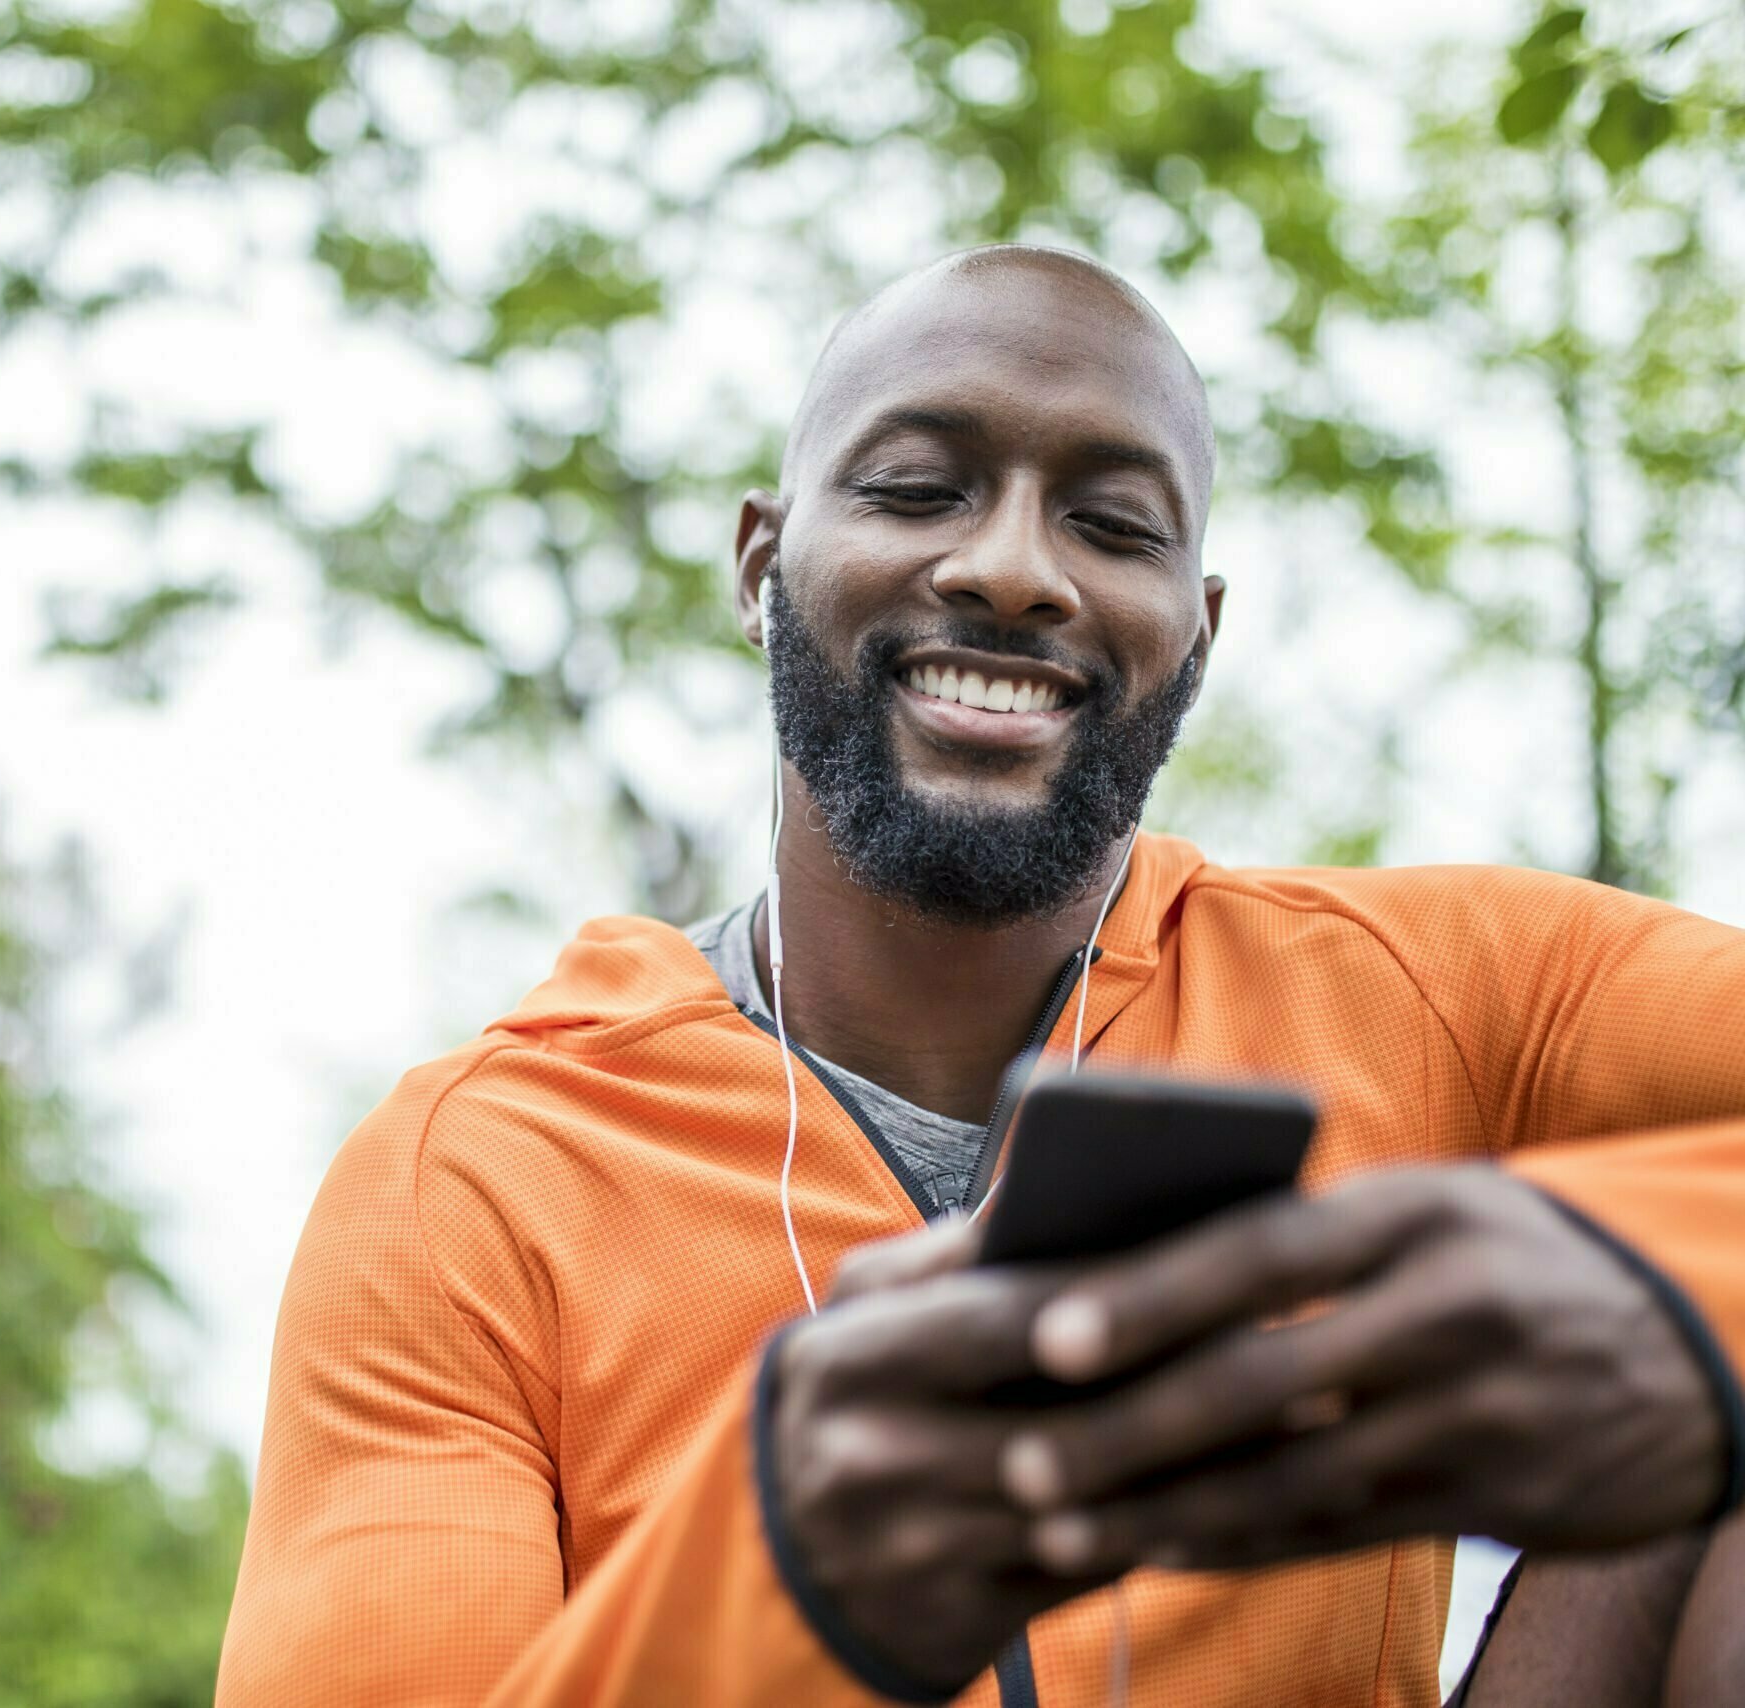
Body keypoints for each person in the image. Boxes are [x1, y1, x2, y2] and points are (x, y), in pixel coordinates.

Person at [212, 245, 1745, 1707]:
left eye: (1115, 525)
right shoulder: (469, 1187)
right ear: (761, 568)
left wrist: (1667, 1282)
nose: (1013, 571)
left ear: (1194, 639)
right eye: (917, 488)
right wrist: (779, 1589)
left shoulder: (1437, 994)